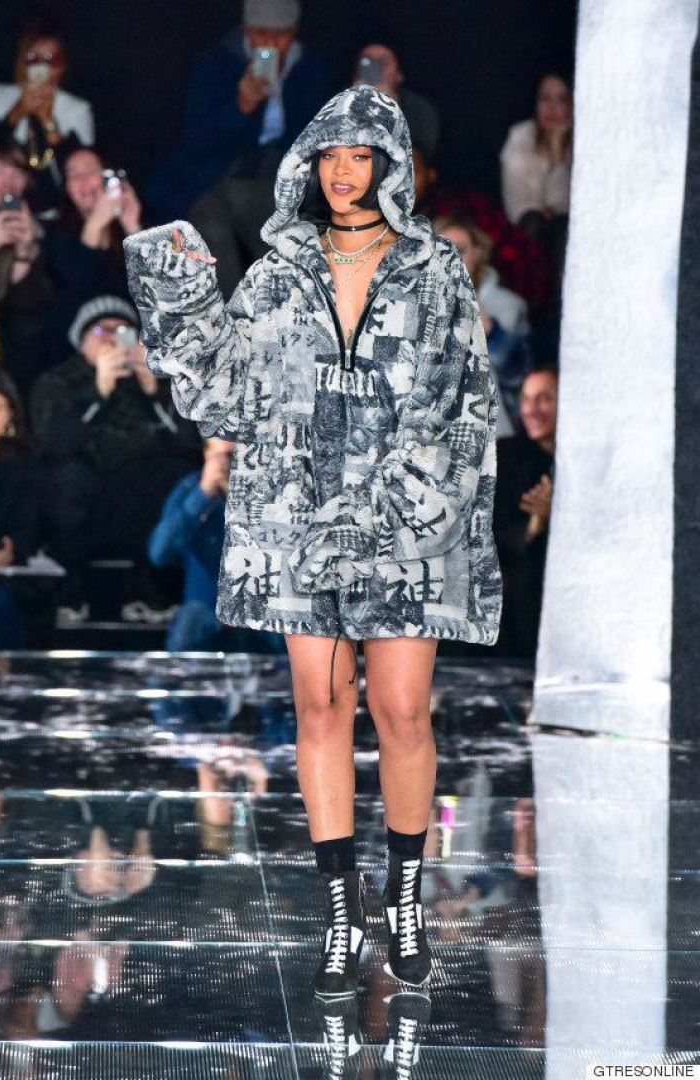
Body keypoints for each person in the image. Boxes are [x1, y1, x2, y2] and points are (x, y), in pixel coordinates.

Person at [125, 85, 501, 1001]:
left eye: (360, 156)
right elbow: (227, 398)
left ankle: (404, 898)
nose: (342, 172)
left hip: (406, 526)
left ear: (390, 164)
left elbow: (458, 407)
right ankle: (342, 910)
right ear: (308, 162)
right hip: (296, 522)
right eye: (329, 155)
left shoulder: (435, 270)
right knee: (319, 707)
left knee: (402, 711)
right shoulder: (278, 270)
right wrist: (182, 300)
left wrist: (382, 511)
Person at [31, 296, 200, 622]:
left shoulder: (149, 381)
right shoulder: (58, 381)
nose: (111, 338)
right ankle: (71, 593)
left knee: (176, 473)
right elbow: (53, 446)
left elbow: (185, 445)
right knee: (64, 476)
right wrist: (98, 391)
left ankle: (151, 592)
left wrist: (153, 394)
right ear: (81, 340)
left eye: (122, 330)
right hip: (83, 493)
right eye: (101, 330)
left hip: (137, 493)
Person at [146, 0, 329, 297]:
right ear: (246, 30)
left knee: (276, 234)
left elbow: (315, 138)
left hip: (275, 177)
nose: (270, 43)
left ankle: (284, 305)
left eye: (280, 34)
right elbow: (196, 140)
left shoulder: (309, 68)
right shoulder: (216, 63)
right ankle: (233, 315)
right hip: (213, 173)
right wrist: (241, 106)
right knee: (210, 226)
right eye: (261, 33)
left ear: (294, 32)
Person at [148, 436, 285, 652]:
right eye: (225, 456)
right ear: (207, 455)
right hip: (206, 610)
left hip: (258, 611)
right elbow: (159, 553)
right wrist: (202, 495)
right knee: (191, 621)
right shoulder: (189, 489)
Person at [0, 16, 94, 215]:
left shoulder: (78, 109)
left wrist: (48, 121)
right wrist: (18, 110)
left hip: (54, 215)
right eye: (33, 58)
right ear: (21, 62)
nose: (41, 66)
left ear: (62, 66)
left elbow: (81, 171)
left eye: (51, 59)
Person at [435, 214, 531, 428]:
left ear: (478, 253)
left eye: (459, 250)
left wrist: (493, 334)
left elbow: (520, 378)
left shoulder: (508, 306)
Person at [44, 146, 142, 350]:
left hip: (136, 341)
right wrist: (94, 226)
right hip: (82, 347)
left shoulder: (133, 227)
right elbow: (76, 291)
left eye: (90, 170)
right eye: (74, 175)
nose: (83, 180)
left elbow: (158, 290)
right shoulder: (56, 236)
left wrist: (133, 228)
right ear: (68, 189)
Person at [0, 131, 53, 395]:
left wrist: (25, 251)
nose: (9, 181)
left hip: (14, 353)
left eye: (18, 173)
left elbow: (30, 310)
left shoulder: (36, 228)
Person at [493, 366, 557, 658]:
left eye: (544, 399)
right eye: (527, 399)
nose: (532, 410)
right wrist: (536, 523)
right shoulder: (506, 457)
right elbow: (493, 535)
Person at [0, 364, 41, 649]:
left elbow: (27, 528)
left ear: (9, 415)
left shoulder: (21, 464)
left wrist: (8, 552)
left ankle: (4, 672)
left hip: (1, 577)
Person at [500, 72, 572, 286]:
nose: (552, 108)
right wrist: (547, 211)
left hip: (567, 233)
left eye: (562, 99)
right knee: (534, 222)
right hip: (528, 233)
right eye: (545, 98)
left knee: (562, 227)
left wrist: (557, 152)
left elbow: (566, 206)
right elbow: (517, 207)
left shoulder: (584, 139)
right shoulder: (520, 137)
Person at [353, 44, 440, 162]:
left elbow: (417, 157)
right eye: (367, 62)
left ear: (399, 74)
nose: (375, 69)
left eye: (383, 63)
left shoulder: (419, 110)